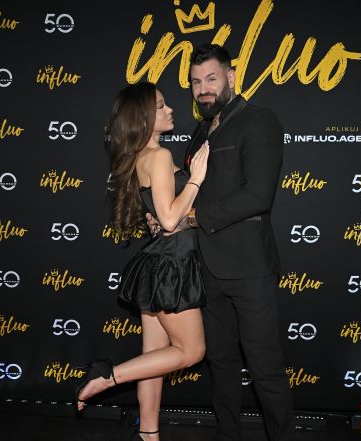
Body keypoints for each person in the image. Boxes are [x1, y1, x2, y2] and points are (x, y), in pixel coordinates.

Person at [149, 43, 294, 441]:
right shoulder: (199, 132)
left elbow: (257, 196)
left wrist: (190, 219)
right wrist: (163, 214)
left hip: (249, 269)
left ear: (231, 77)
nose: (204, 89)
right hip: (205, 269)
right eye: (196, 82)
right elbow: (188, 190)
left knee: (265, 369)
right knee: (221, 365)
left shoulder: (260, 121)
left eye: (211, 79)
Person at [75, 82, 210, 441]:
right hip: (172, 265)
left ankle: (148, 434)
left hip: (157, 263)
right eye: (161, 106)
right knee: (192, 351)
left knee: (153, 357)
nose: (170, 110)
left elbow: (163, 218)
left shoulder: (139, 157)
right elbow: (169, 219)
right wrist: (196, 180)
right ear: (144, 117)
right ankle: (108, 376)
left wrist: (180, 214)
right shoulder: (160, 156)